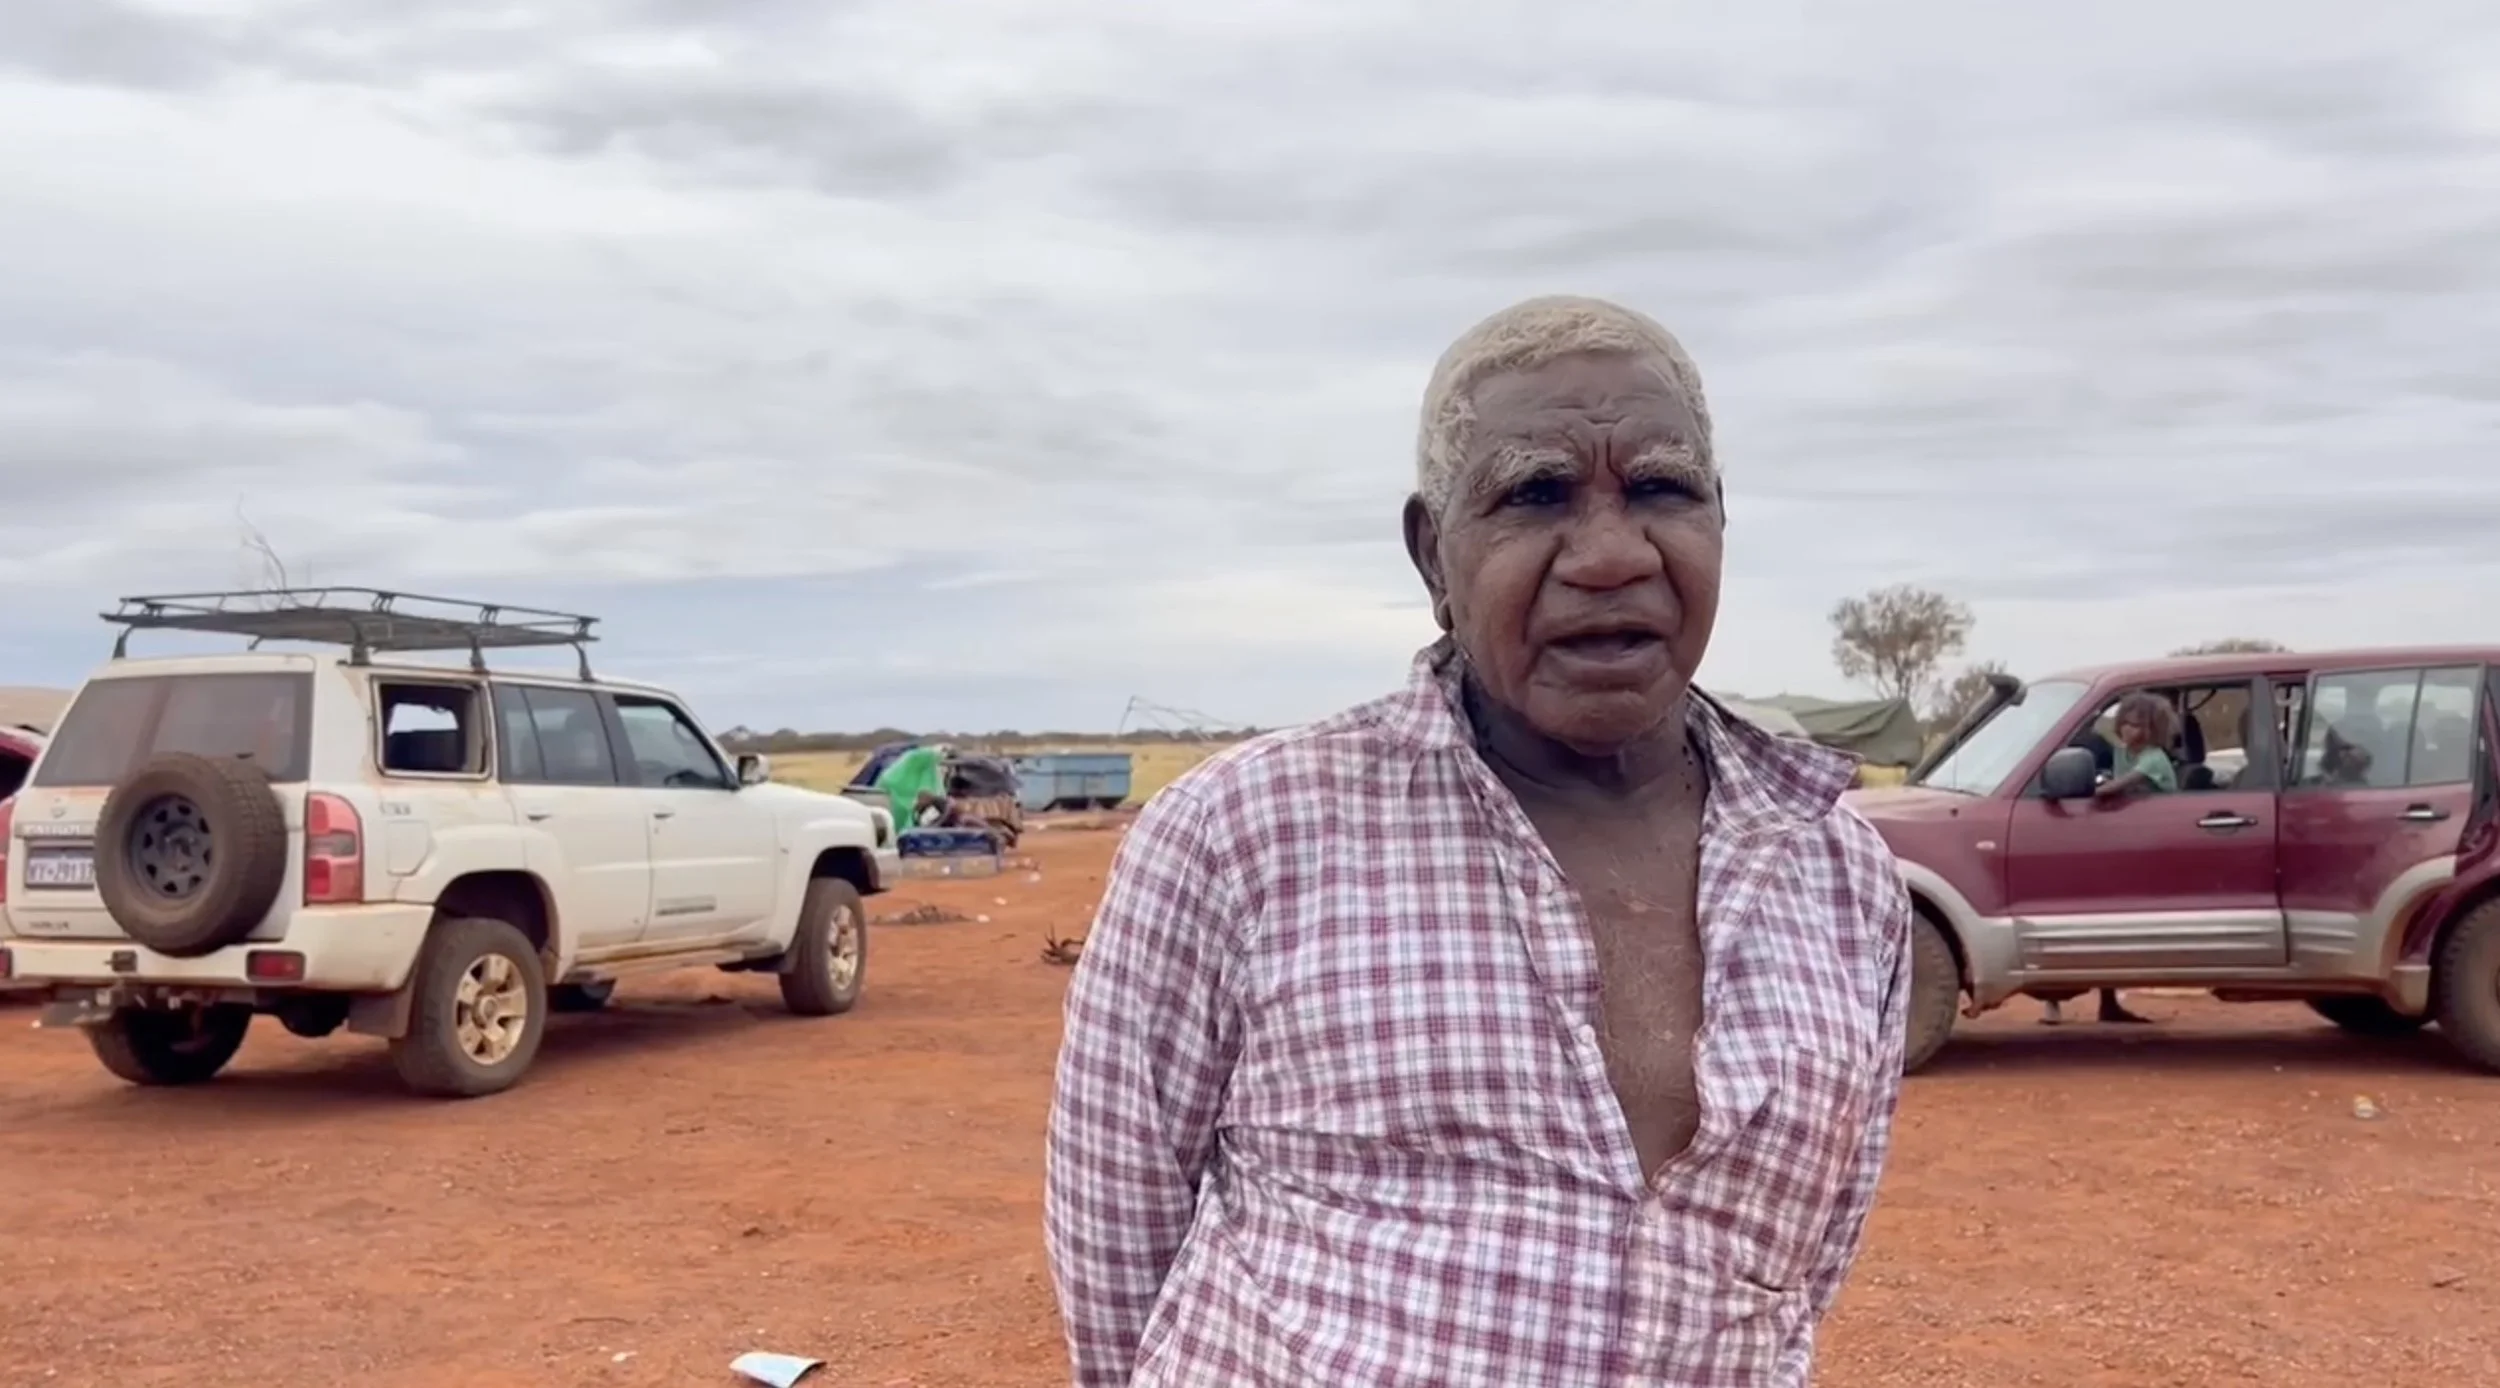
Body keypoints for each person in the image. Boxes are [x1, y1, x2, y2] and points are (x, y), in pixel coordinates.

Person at [1044, 296, 1912, 1386]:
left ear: (1718, 522)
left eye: (1660, 488)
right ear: (1432, 557)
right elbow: (1114, 1244)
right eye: (1534, 494)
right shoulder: (1237, 835)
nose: (1608, 553)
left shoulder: (1841, 875)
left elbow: (1798, 1272)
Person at [2042, 692, 2176, 1028]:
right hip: (2135, 839)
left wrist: (2082, 789)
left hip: (2164, 840)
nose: (2133, 731)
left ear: (2154, 729)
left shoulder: (2154, 758)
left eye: (2141, 725)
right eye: (2128, 724)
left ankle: (2107, 1001)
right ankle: (2109, 1002)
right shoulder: (2121, 753)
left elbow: (2117, 787)